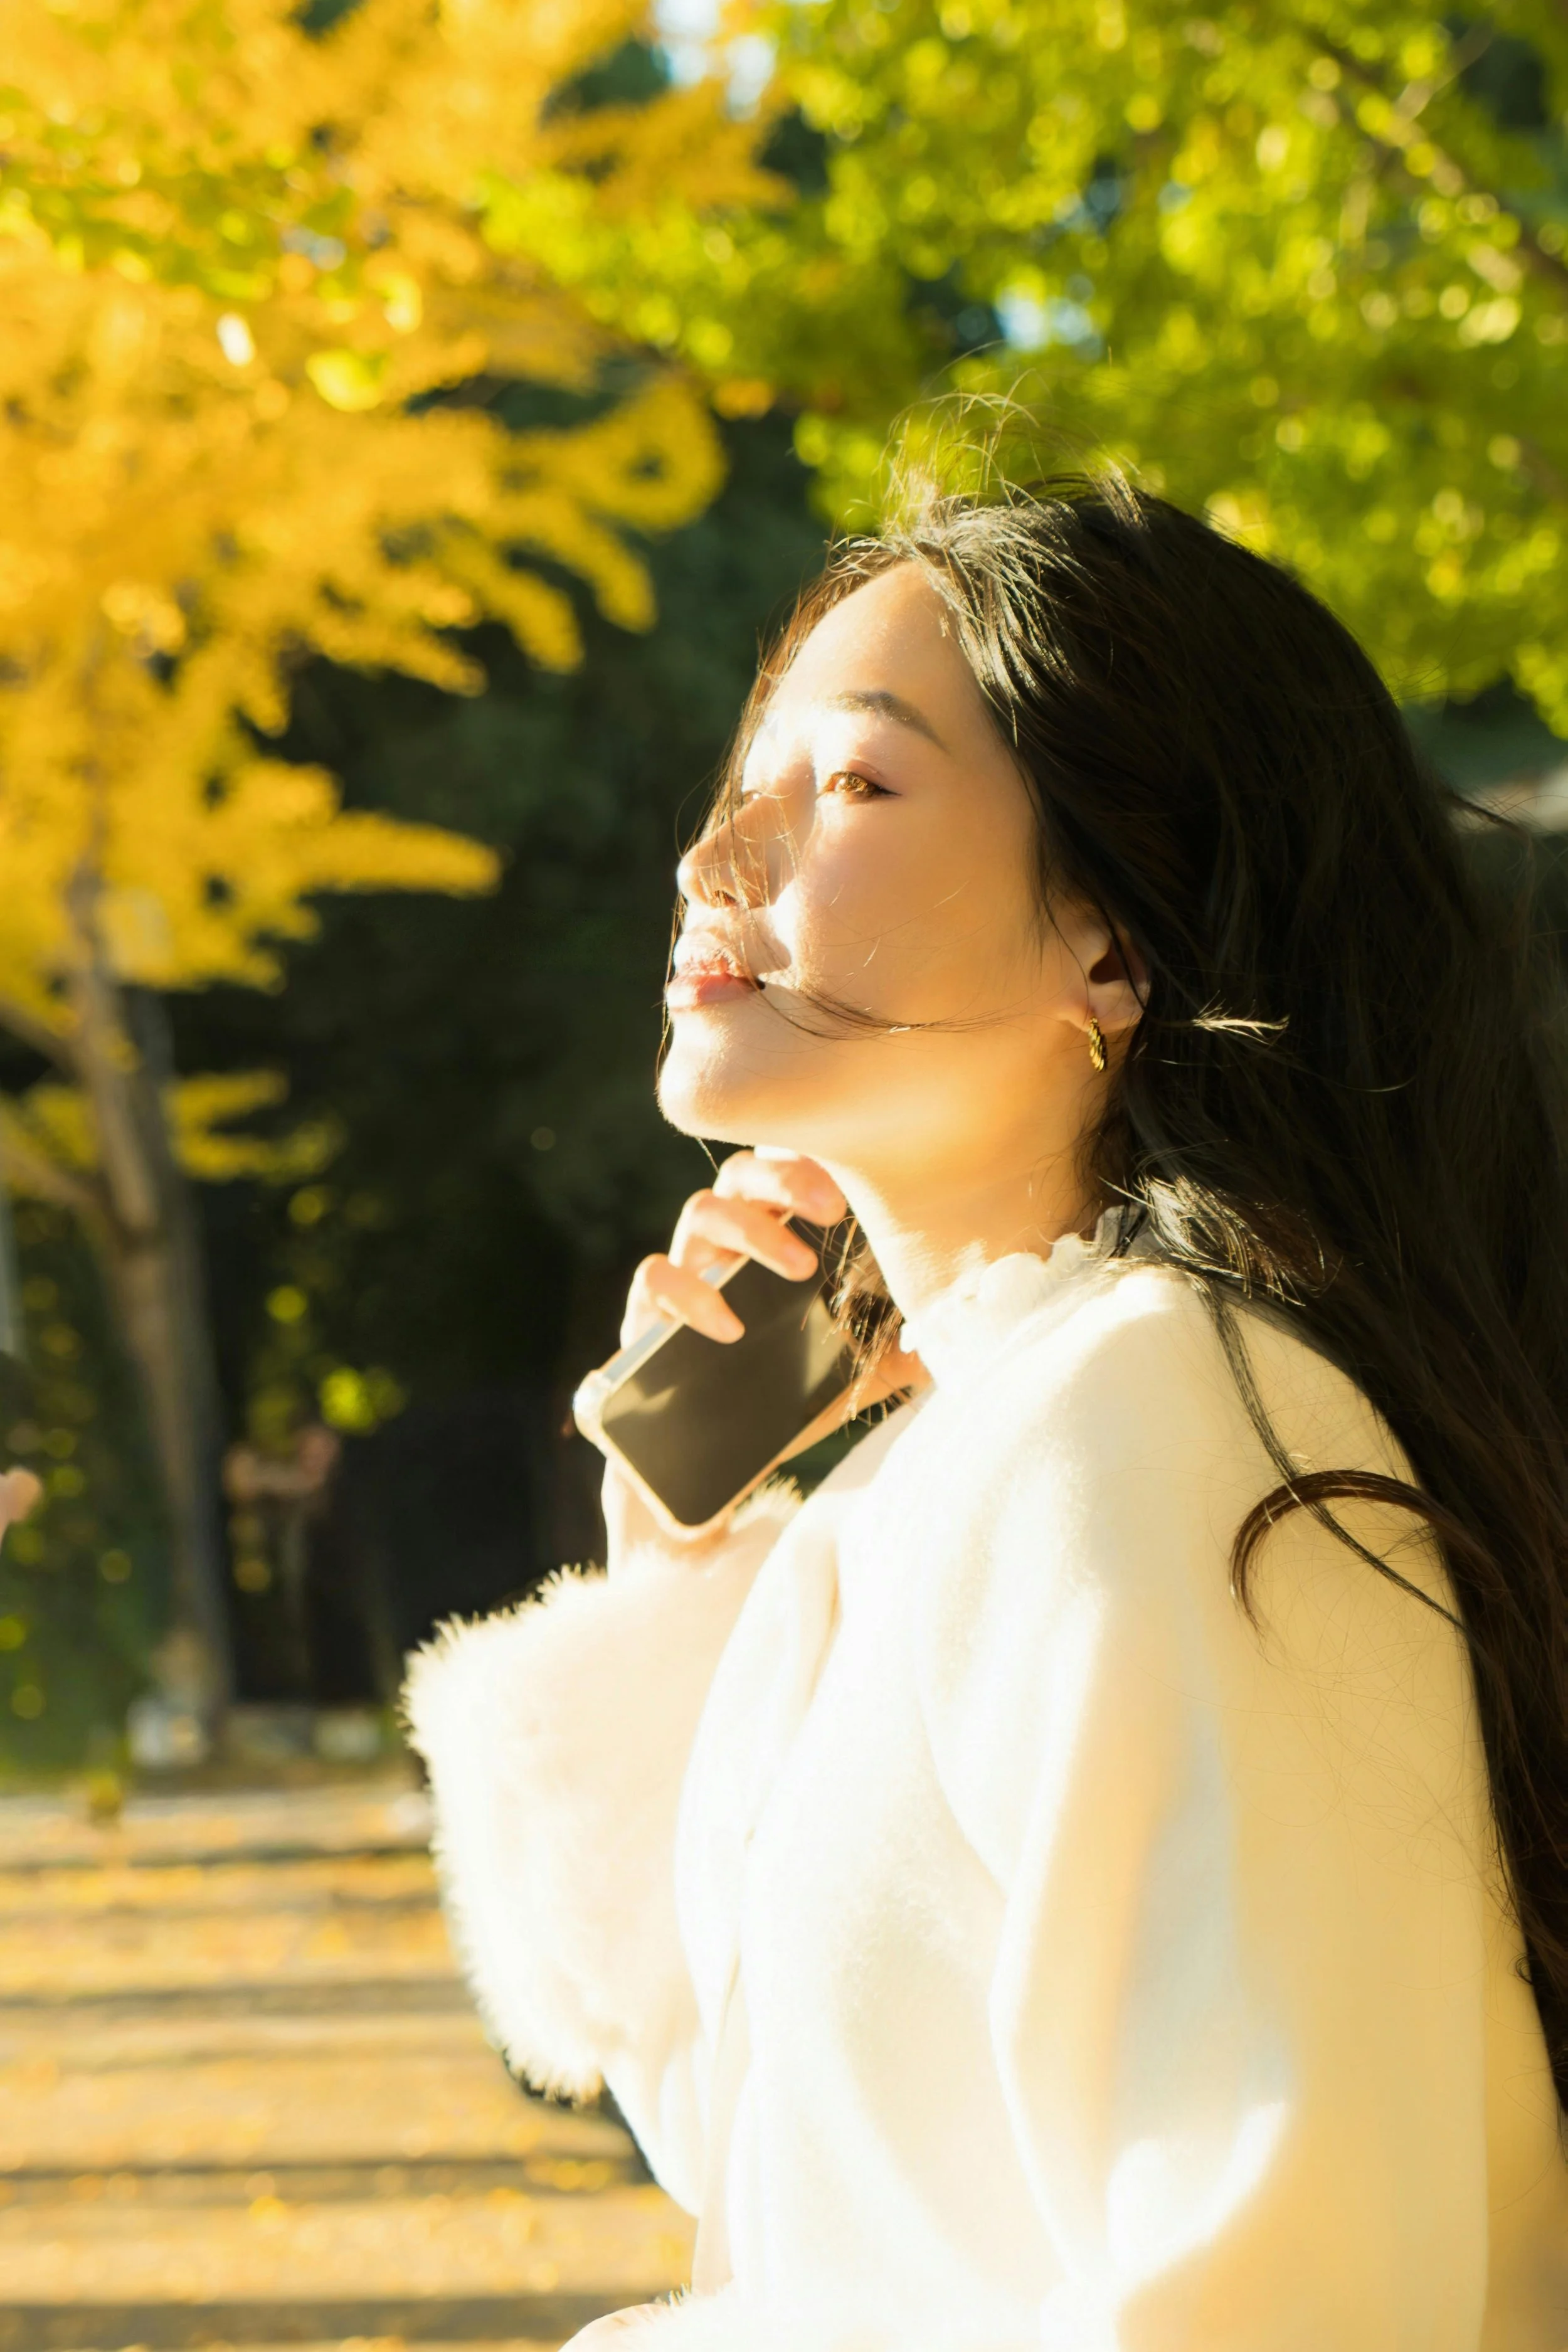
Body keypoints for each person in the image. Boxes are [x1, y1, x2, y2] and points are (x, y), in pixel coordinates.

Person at [405, 467, 1568, 2349]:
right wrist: (672, 1554)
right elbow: (769, 2169)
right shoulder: (941, 1466)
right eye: (739, 789)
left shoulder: (1166, 1421)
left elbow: (1293, 2287)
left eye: (852, 784)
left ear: (1107, 941)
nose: (720, 858)